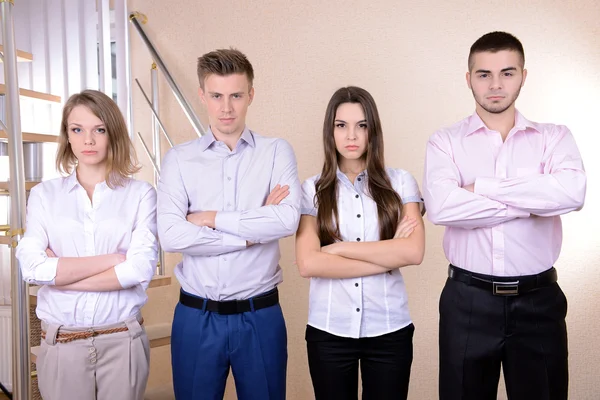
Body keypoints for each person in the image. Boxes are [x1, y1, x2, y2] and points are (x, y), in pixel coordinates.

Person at [423, 31, 586, 400]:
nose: (495, 85)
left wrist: (479, 187)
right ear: (469, 79)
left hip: (538, 302)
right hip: (467, 301)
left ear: (523, 76)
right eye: (484, 74)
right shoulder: (444, 141)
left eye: (507, 73)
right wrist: (534, 198)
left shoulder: (555, 138)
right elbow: (442, 207)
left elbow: (572, 193)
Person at [157, 48, 301, 400]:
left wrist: (210, 219)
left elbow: (285, 219)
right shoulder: (179, 160)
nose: (226, 108)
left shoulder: (276, 152)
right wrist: (249, 236)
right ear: (202, 95)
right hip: (196, 317)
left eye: (236, 95)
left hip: (260, 314)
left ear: (250, 95)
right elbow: (172, 234)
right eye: (217, 96)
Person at [16, 90, 158, 400]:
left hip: (123, 341)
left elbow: (138, 270)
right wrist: (112, 259)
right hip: (62, 345)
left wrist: (62, 277)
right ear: (67, 136)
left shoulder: (140, 195)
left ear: (112, 133)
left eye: (99, 129)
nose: (88, 140)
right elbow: (32, 266)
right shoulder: (44, 195)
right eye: (77, 129)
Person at [295, 86, 425, 400]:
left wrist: (338, 249)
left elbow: (413, 251)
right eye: (341, 125)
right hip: (329, 331)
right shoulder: (311, 189)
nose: (351, 135)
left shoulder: (401, 182)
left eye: (361, 125)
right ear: (330, 131)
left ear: (373, 131)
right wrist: (386, 254)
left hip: (390, 329)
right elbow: (308, 263)